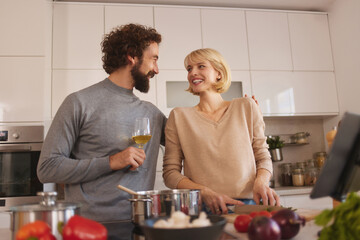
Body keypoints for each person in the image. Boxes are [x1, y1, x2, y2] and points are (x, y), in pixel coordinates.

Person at [37, 24, 167, 222]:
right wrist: (111, 162)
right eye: (154, 59)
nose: (156, 70)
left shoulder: (152, 114)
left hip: (142, 225)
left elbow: (192, 147)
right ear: (132, 55)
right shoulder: (78, 103)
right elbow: (47, 168)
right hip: (88, 228)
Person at [163, 48, 280, 215]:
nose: (192, 73)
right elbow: (170, 173)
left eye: (201, 66)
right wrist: (202, 192)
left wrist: (261, 183)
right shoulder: (179, 116)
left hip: (248, 205)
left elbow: (263, 157)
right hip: (204, 207)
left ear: (219, 73)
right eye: (189, 69)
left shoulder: (246, 106)